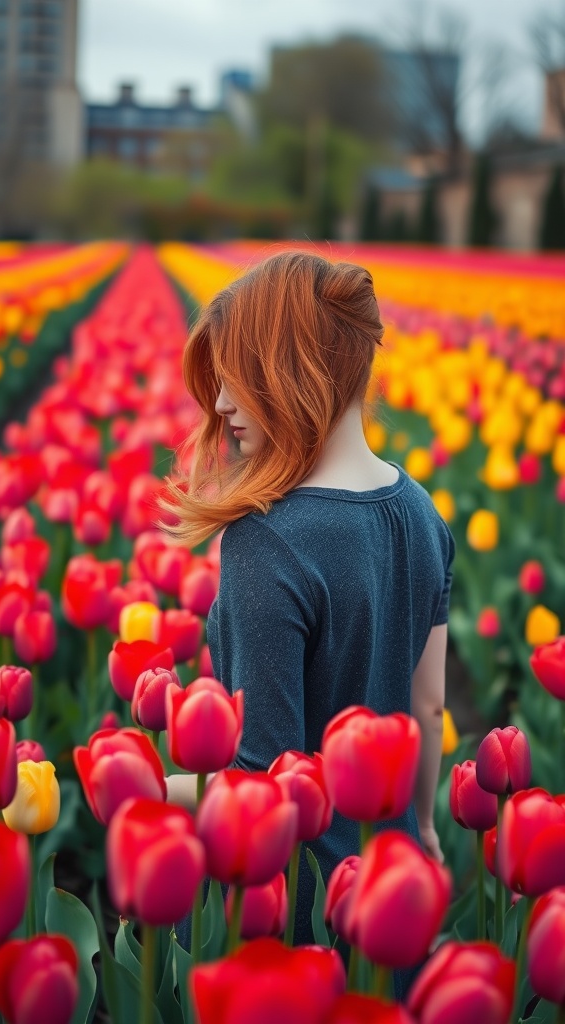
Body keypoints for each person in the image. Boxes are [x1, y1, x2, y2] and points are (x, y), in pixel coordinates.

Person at [164, 250, 455, 974]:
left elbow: (263, 782)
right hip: (396, 899)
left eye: (234, 375)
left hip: (301, 919)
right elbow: (429, 704)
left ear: (290, 368)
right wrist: (420, 824)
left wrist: (139, 786)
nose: (221, 404)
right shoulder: (421, 514)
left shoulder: (267, 541)